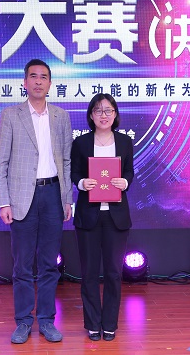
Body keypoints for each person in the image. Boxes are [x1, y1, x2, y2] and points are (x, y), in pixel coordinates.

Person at [0, 58, 73, 344]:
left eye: (44, 77)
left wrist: (67, 199)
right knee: (22, 265)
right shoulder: (11, 115)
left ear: (50, 83)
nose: (38, 81)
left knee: (50, 264)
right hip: (21, 197)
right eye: (33, 76)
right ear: (25, 82)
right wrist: (4, 202)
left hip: (53, 195)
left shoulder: (61, 117)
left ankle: (47, 321)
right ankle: (24, 321)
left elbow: (66, 161)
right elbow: (1, 162)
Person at [71, 93, 134, 342]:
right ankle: (92, 324)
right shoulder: (81, 143)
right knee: (88, 273)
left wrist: (124, 182)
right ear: (91, 115)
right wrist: (82, 183)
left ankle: (109, 324)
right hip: (88, 216)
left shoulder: (125, 142)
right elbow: (74, 171)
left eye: (108, 110)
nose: (104, 115)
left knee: (113, 273)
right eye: (98, 111)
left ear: (115, 114)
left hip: (116, 218)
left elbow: (129, 171)